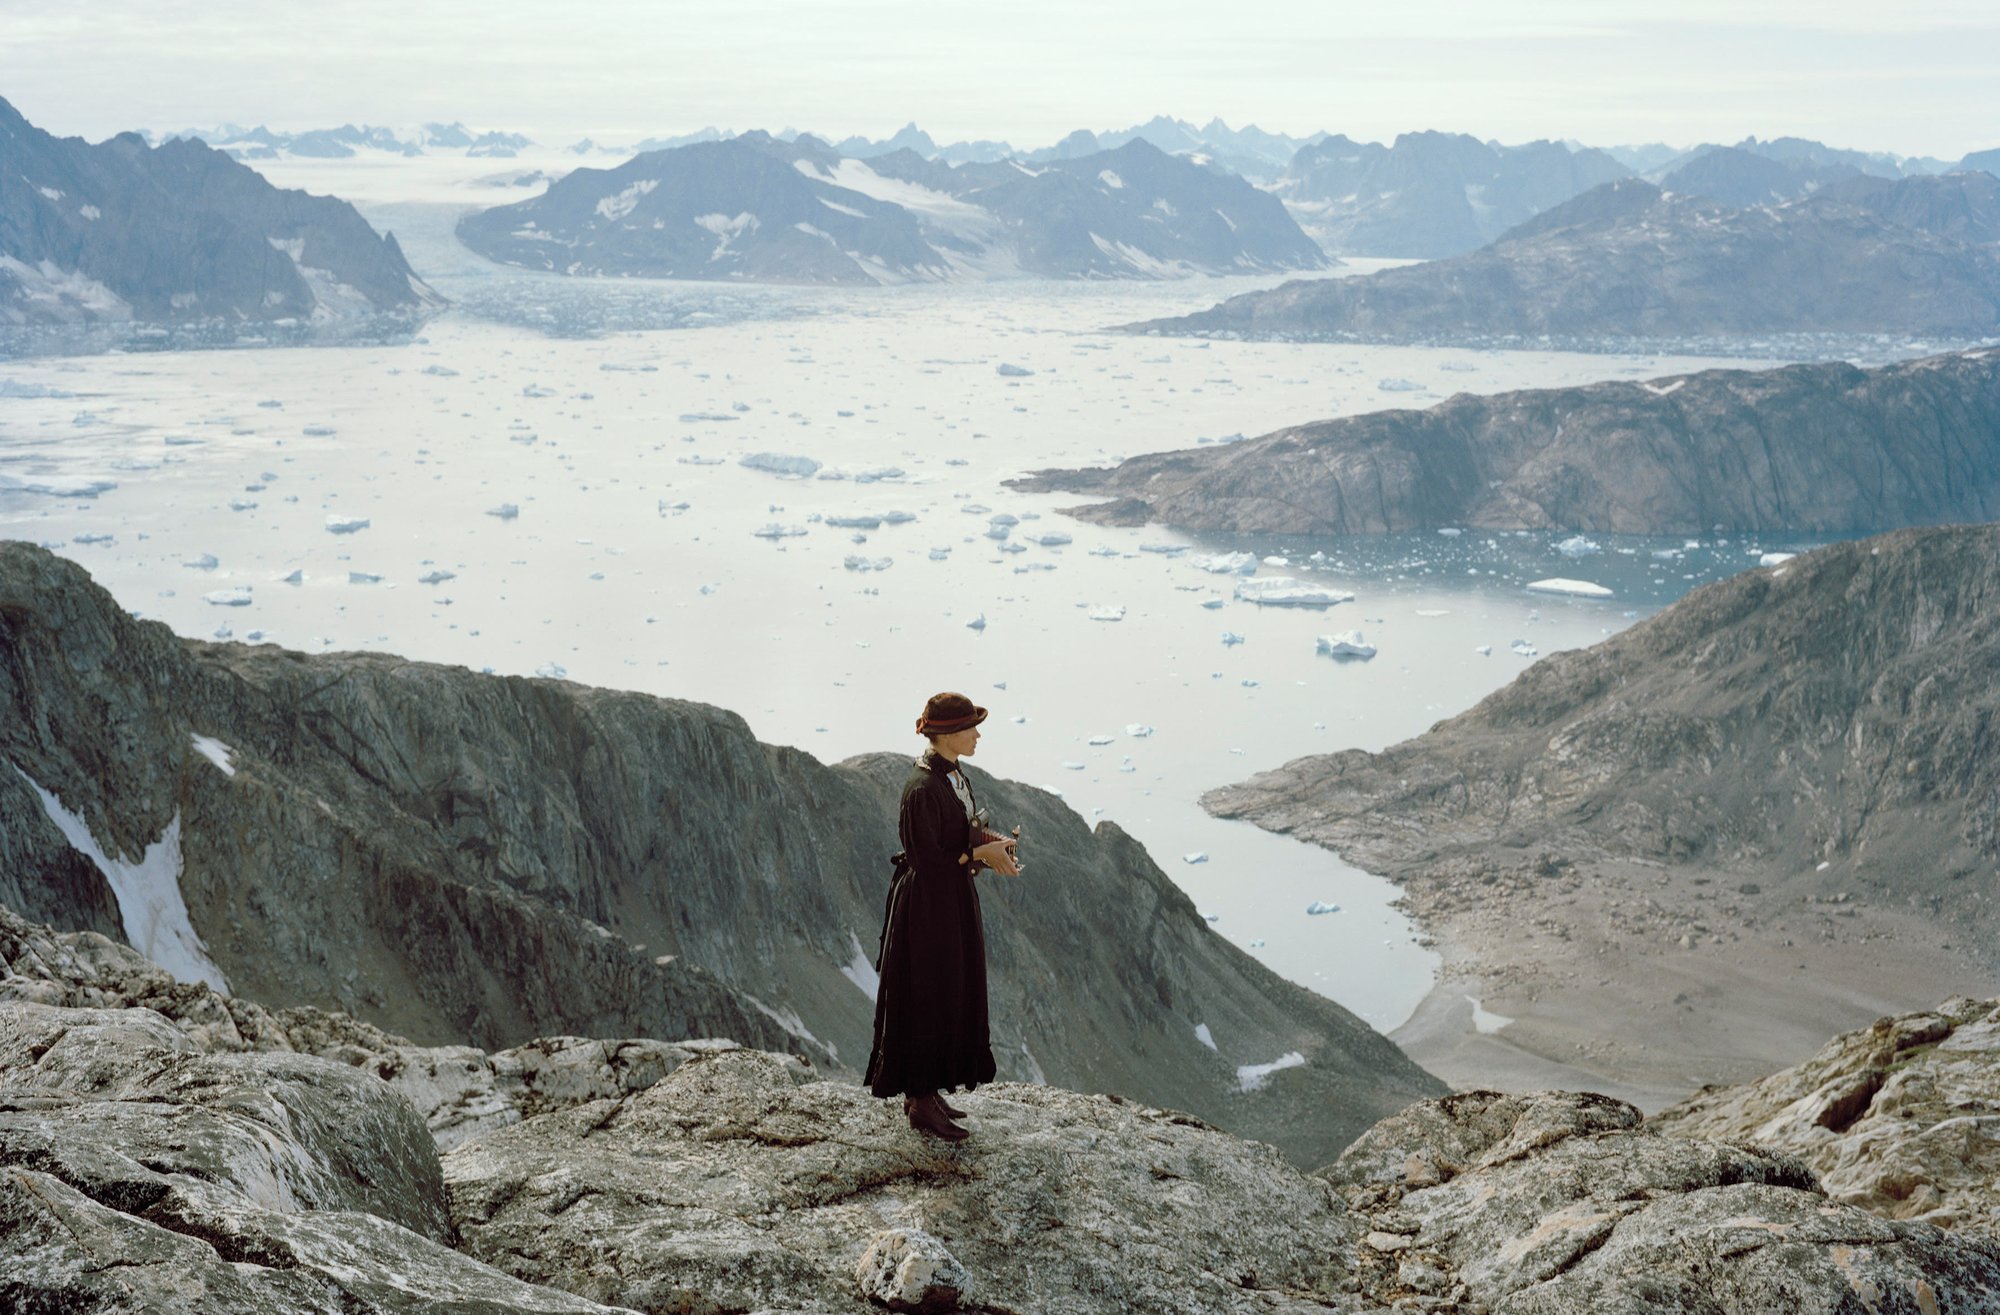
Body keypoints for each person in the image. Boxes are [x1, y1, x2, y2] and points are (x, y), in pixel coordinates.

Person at [863, 691, 1020, 1141]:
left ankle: (928, 1093)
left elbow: (958, 832)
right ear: (948, 734)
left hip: (948, 900)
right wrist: (979, 853)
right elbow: (926, 857)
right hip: (927, 908)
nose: (977, 734)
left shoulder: (950, 775)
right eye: (970, 727)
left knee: (948, 990)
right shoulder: (922, 789)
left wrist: (990, 846)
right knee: (927, 993)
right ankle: (918, 1099)